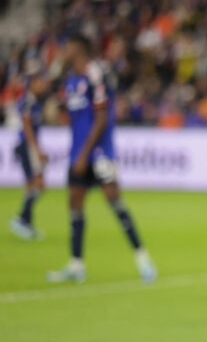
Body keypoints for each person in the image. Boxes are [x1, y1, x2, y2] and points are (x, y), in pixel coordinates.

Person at [47, 34, 156, 284]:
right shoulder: (71, 80)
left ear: (79, 47)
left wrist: (85, 154)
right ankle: (76, 264)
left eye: (67, 45)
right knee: (75, 204)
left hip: (98, 154)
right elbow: (75, 118)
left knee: (114, 201)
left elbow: (101, 118)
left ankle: (143, 259)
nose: (63, 50)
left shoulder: (95, 74)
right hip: (78, 153)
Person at [10, 71, 50, 241]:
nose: (44, 85)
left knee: (34, 186)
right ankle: (21, 220)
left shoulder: (35, 102)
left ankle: (26, 223)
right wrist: (37, 150)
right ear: (33, 82)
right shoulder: (27, 101)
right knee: (36, 185)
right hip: (27, 147)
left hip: (29, 147)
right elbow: (27, 128)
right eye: (41, 81)